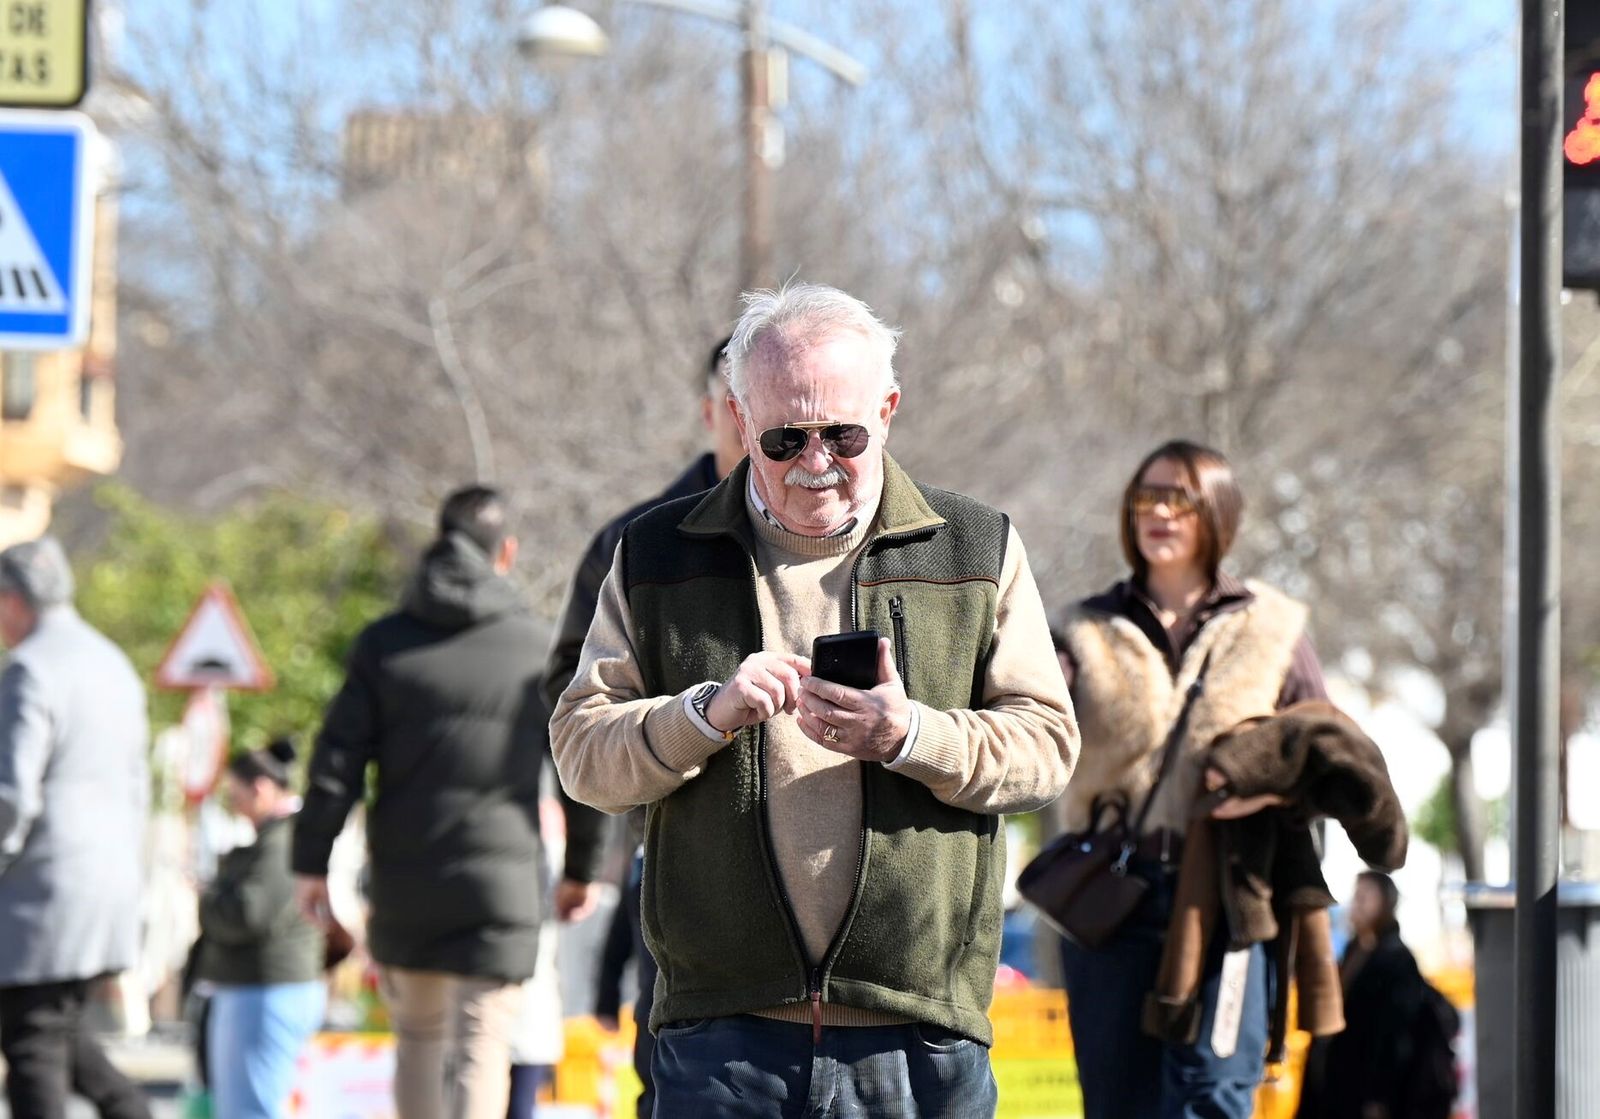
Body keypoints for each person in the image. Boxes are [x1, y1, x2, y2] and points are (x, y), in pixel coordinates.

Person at [551, 281, 1078, 1118]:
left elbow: (1046, 749)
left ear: (891, 407)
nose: (816, 459)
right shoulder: (656, 552)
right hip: (722, 1029)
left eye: (844, 432)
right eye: (784, 436)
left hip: (918, 1028)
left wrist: (911, 734)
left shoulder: (975, 547)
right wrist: (700, 716)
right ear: (735, 415)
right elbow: (582, 749)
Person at [292, 487, 608, 1119]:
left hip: (405, 880)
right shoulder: (536, 648)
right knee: (480, 1047)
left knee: (416, 1042)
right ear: (508, 553)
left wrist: (310, 862)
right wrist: (582, 869)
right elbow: (580, 765)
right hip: (499, 889)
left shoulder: (383, 645)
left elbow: (335, 766)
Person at [1052, 440, 1329, 1119]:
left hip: (1229, 901)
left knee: (1214, 1098)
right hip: (1113, 899)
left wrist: (1267, 789)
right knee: (1119, 1103)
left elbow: (1329, 753)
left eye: (1179, 497)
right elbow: (1032, 734)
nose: (1159, 512)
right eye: (1146, 496)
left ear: (1216, 512)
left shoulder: (1270, 627)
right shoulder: (1085, 627)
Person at [542, 332, 743, 1119]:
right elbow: (572, 698)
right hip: (675, 851)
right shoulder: (643, 541)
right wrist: (682, 721)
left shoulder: (848, 527)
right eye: (739, 404)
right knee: (675, 1070)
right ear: (711, 412)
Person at [0, 536, 152, 1119]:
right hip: (107, 885)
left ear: (14, 602)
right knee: (61, 1031)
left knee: (32, 1041)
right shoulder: (112, 662)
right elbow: (136, 785)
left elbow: (13, 795)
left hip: (44, 892)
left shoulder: (31, 669)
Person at [197, 738, 327, 1118]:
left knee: (250, 1108)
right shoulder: (287, 835)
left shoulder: (282, 839)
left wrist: (208, 898)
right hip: (266, 987)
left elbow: (249, 914)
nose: (236, 809)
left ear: (260, 789)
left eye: (236, 798)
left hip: (265, 988)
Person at [1296, 872, 1459, 1119]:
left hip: (1368, 1093)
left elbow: (1397, 1036)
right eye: (1356, 895)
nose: (1357, 903)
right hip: (1336, 1087)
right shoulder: (1354, 949)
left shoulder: (1396, 960)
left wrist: (1380, 1096)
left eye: (1365, 897)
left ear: (1385, 902)